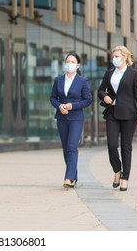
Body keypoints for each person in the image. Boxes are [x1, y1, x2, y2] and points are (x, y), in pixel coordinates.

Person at [98, 45, 137, 191]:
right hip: (112, 112)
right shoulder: (109, 73)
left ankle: (125, 178)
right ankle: (117, 171)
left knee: (126, 146)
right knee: (112, 145)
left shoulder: (134, 74)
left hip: (129, 114)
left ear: (125, 57)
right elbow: (100, 90)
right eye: (113, 57)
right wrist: (105, 96)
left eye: (117, 56)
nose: (114, 59)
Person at [50, 52, 92, 189]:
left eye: (73, 62)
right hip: (61, 118)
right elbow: (52, 98)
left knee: (72, 147)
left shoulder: (82, 81)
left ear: (78, 65)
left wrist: (72, 106)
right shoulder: (58, 80)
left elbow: (87, 100)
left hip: (76, 118)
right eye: (68, 61)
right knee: (65, 149)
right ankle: (73, 175)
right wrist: (59, 106)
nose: (70, 64)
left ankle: (68, 178)